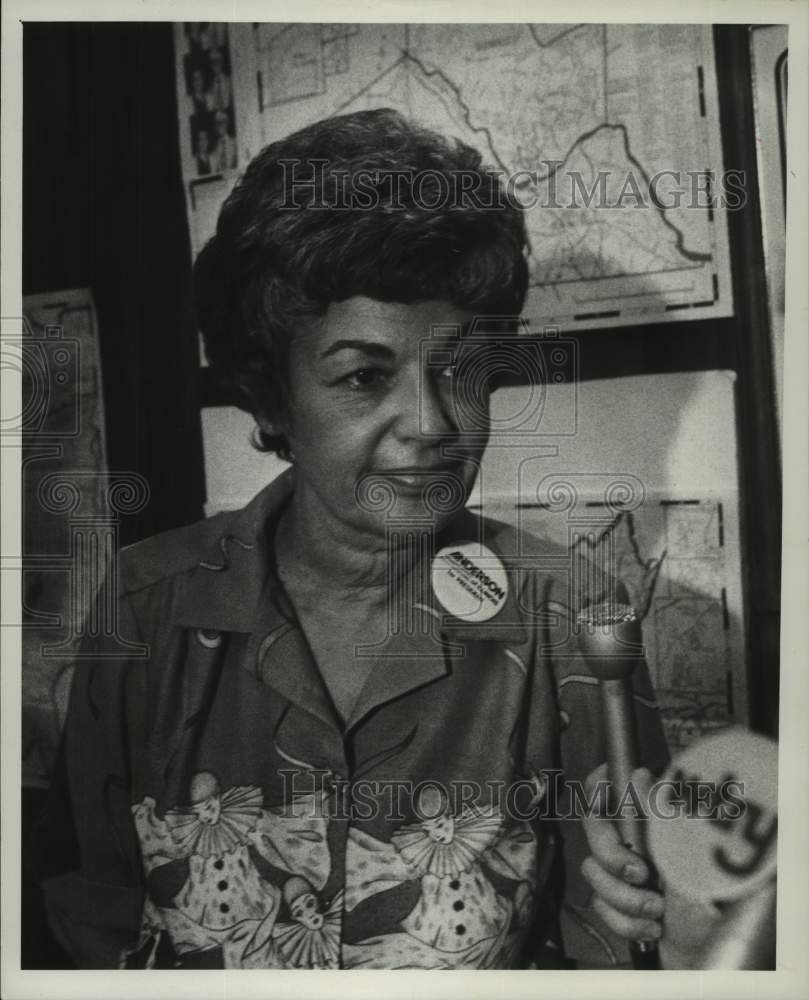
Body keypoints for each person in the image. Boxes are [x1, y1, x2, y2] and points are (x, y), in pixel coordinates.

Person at [32, 108, 674, 970]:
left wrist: (653, 920)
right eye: (364, 377)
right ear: (270, 398)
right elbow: (91, 922)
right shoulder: (147, 604)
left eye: (460, 370)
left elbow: (612, 947)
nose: (429, 422)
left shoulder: (573, 616)